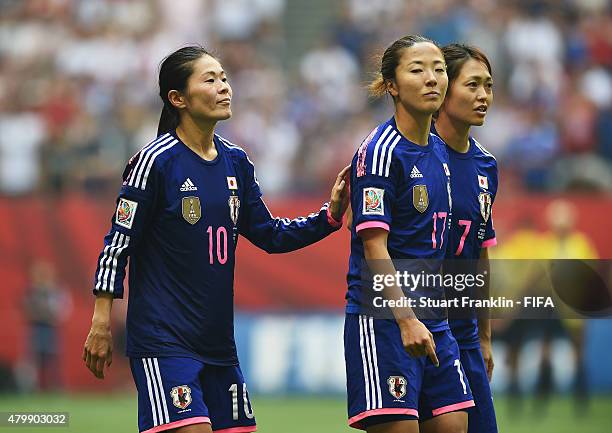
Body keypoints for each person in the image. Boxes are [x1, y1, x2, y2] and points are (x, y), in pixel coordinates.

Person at [82, 45, 350, 433]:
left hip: (219, 346)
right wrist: (101, 322)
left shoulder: (236, 162)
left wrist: (329, 216)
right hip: (163, 343)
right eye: (210, 79)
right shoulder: (153, 163)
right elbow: (117, 243)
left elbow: (270, 234)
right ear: (178, 98)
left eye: (224, 77)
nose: (224, 86)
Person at [344, 35, 473, 433]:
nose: (432, 78)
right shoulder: (380, 151)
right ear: (392, 85)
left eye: (438, 69)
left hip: (434, 318)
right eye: (417, 70)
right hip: (384, 320)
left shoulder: (439, 151)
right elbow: (373, 246)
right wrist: (405, 320)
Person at [425, 44, 499, 433]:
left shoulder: (487, 166)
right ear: (442, 89)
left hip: (466, 335)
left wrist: (484, 338)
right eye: (472, 85)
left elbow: (480, 257)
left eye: (488, 85)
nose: (483, 95)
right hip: (423, 333)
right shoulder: (413, 156)